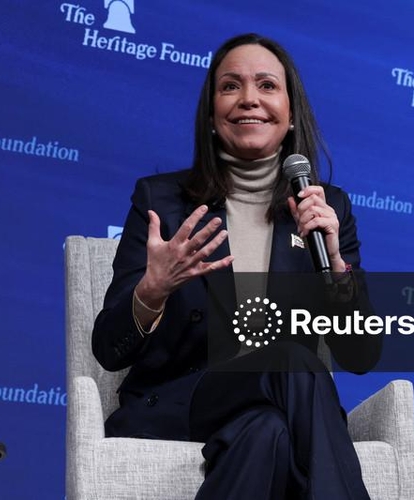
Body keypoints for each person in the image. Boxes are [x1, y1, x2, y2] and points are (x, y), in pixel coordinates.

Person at [92, 33, 381, 499]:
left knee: (268, 433)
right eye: (230, 86)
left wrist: (334, 268)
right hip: (184, 402)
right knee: (293, 362)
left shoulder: (326, 207)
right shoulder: (161, 201)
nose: (249, 98)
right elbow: (109, 348)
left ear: (291, 114)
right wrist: (152, 290)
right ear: (211, 115)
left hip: (280, 408)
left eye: (267, 85)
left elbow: (361, 355)